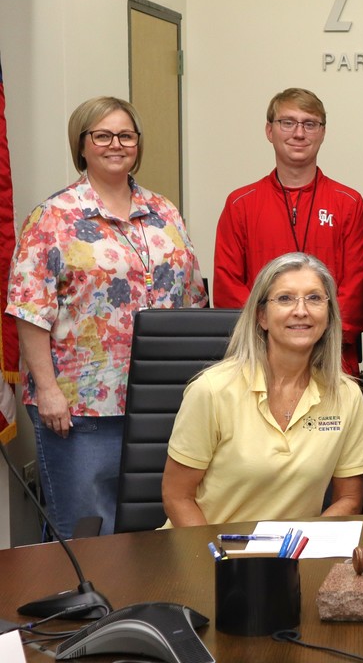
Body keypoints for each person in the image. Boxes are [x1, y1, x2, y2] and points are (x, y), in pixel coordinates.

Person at [6, 96, 207, 538]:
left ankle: (146, 608)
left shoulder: (164, 212)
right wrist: (48, 390)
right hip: (80, 406)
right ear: (81, 145)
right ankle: (89, 609)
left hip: (164, 402)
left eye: (126, 135)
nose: (116, 144)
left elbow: (194, 298)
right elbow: (28, 309)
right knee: (86, 529)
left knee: (157, 526)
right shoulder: (52, 217)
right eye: (102, 135)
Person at [162, 252, 363, 526]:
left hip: (292, 556)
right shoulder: (212, 390)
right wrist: (221, 563)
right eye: (285, 298)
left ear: (329, 316)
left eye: (314, 298)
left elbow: (349, 499)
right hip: (210, 554)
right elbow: (177, 497)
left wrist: (301, 548)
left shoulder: (346, 395)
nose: (301, 310)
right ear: (261, 316)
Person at [214, 88, 363, 376]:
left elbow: (357, 288)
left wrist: (315, 335)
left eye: (310, 124)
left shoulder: (349, 203)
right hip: (259, 360)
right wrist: (273, 339)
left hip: (332, 359)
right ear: (269, 131)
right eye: (288, 122)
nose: (299, 133)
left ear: (322, 133)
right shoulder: (240, 204)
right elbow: (227, 288)